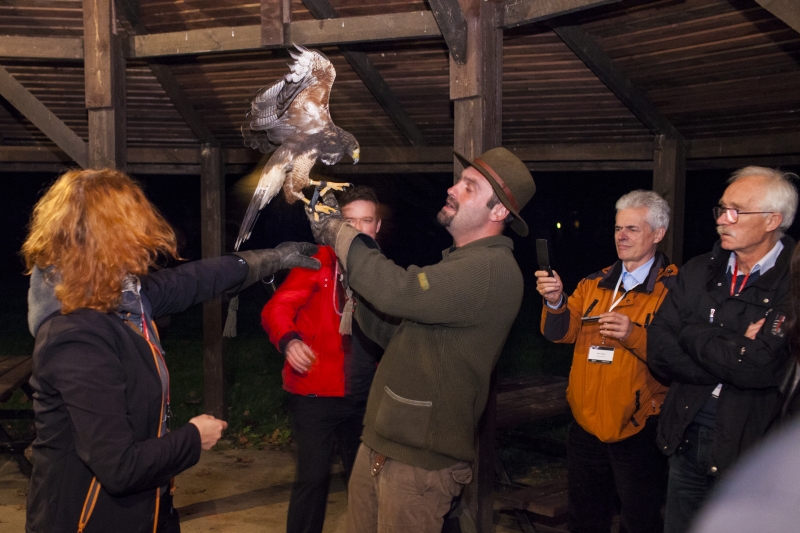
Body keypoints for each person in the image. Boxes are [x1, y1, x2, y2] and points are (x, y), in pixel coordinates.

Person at [22, 169, 320, 533]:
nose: (144, 239)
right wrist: (193, 437)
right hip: (89, 520)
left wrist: (268, 259)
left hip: (147, 509)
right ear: (108, 238)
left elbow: (190, 281)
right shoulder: (77, 338)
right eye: (133, 227)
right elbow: (120, 467)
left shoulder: (121, 297)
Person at [307, 147, 536, 533]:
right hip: (384, 443)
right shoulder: (461, 262)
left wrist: (340, 233)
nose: (452, 188)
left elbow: (400, 291)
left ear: (498, 211)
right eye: (459, 181)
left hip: (419, 462)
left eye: (469, 186)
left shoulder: (490, 269)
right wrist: (355, 283)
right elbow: (395, 333)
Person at [647, 166, 798, 533]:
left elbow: (759, 367)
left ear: (772, 220)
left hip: (753, 452)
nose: (722, 219)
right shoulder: (698, 270)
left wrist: (692, 332)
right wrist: (731, 350)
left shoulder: (794, 280)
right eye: (722, 208)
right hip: (685, 438)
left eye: (736, 211)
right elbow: (658, 349)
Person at [536, 190, 676, 533]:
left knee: (640, 522)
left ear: (658, 233)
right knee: (584, 519)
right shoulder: (593, 283)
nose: (621, 236)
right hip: (586, 425)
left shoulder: (674, 290)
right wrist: (555, 302)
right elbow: (559, 333)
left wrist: (632, 334)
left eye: (632, 228)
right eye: (617, 228)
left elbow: (675, 358)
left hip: (639, 427)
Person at [261, 186, 384, 533]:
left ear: (377, 226)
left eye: (366, 220)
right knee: (312, 479)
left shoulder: (382, 270)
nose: (358, 228)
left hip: (365, 394)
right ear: (336, 224)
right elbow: (276, 308)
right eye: (350, 221)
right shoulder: (316, 261)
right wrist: (289, 341)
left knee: (367, 484)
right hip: (315, 391)